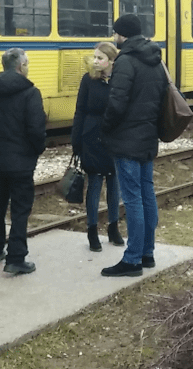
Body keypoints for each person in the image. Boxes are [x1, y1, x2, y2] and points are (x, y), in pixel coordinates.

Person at [100, 13, 167, 277]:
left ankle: (133, 259)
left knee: (133, 199)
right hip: (148, 138)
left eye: (115, 33)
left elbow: (116, 103)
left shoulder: (126, 61)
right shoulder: (155, 60)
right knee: (147, 195)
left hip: (127, 140)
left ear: (121, 35)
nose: (114, 37)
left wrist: (105, 128)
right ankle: (147, 252)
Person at [0, 47, 46, 275]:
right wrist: (36, 150)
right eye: (27, 63)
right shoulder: (31, 93)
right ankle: (16, 257)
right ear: (21, 66)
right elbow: (36, 130)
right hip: (21, 163)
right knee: (20, 210)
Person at [70, 41, 124, 252]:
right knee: (94, 183)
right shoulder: (88, 80)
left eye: (100, 58)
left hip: (114, 137)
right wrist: (76, 141)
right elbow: (79, 110)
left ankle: (113, 227)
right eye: (95, 57)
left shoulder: (120, 81)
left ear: (111, 61)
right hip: (91, 136)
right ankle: (92, 230)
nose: (96, 61)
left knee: (114, 182)